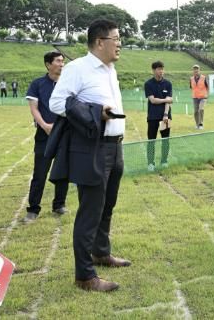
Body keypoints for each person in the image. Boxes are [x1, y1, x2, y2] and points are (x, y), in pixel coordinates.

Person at [50, 19, 130, 292]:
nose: (119, 44)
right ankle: (84, 275)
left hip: (115, 146)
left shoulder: (110, 70)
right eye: (115, 39)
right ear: (99, 42)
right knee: (90, 210)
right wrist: (95, 111)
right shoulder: (78, 68)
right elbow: (57, 103)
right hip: (93, 149)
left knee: (107, 205)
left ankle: (101, 252)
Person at [23, 51, 69, 222]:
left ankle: (59, 204)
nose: (61, 64)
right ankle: (33, 209)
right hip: (45, 133)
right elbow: (34, 108)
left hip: (64, 133)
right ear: (48, 64)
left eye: (63, 61)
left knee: (63, 170)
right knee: (40, 173)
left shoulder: (67, 84)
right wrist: (44, 125)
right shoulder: (38, 84)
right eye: (58, 61)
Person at [144, 61, 172, 171]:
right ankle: (150, 163)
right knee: (151, 140)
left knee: (165, 140)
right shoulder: (148, 84)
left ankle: (164, 161)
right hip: (152, 117)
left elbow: (168, 102)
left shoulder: (168, 84)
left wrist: (165, 114)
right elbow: (153, 100)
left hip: (165, 117)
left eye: (162, 69)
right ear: (153, 70)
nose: (161, 71)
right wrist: (166, 100)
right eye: (159, 69)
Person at [190, 64, 209, 129]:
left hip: (203, 97)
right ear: (193, 70)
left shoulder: (204, 78)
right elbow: (191, 87)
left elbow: (207, 87)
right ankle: (197, 124)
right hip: (195, 97)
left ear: (199, 70)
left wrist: (207, 95)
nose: (196, 70)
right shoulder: (191, 79)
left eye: (197, 69)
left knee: (201, 109)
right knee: (195, 111)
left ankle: (201, 124)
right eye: (194, 69)